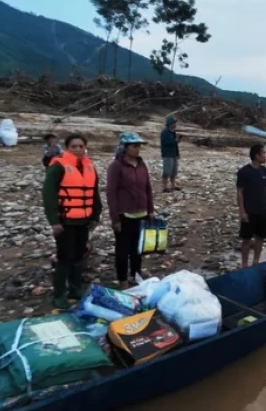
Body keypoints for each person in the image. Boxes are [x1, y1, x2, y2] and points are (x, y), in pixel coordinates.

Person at [43, 133, 102, 310]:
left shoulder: (90, 167)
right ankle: (59, 295)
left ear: (85, 148)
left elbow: (94, 194)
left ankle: (76, 290)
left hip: (83, 221)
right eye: (73, 146)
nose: (78, 149)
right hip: (65, 221)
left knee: (78, 256)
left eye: (81, 146)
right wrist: (54, 221)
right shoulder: (58, 166)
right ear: (67, 148)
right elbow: (49, 195)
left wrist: (95, 216)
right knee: (64, 258)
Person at [107, 131, 156, 290]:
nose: (138, 149)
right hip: (125, 215)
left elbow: (147, 188)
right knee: (122, 249)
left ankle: (136, 275)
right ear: (125, 147)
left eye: (139, 146)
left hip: (141, 213)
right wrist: (115, 218)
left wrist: (150, 209)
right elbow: (111, 192)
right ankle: (123, 280)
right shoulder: (116, 166)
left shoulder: (141, 164)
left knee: (137, 248)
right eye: (134, 146)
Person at [237, 143, 266, 268]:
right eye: (263, 153)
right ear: (256, 155)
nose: (265, 156)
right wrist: (242, 211)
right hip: (249, 211)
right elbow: (240, 192)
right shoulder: (244, 172)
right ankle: (244, 264)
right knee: (246, 240)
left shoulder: (264, 171)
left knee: (260, 238)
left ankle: (256, 262)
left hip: (262, 210)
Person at [160, 116, 182, 192]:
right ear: (170, 124)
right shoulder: (165, 132)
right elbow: (164, 143)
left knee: (174, 170)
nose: (175, 124)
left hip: (174, 154)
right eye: (174, 123)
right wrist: (175, 141)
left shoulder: (173, 132)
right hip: (167, 154)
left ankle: (173, 185)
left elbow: (174, 143)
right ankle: (165, 186)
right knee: (167, 171)